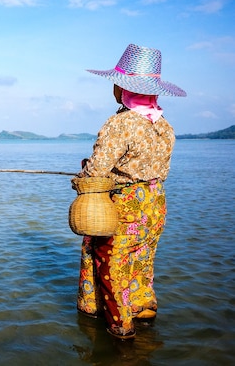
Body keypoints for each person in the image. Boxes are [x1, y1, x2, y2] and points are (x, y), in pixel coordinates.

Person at [74, 44, 186, 340]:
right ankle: (144, 309)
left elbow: (97, 172)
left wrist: (82, 174)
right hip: (155, 202)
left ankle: (120, 327)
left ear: (121, 87)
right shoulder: (164, 126)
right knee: (142, 257)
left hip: (125, 204)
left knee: (110, 260)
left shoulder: (120, 123)